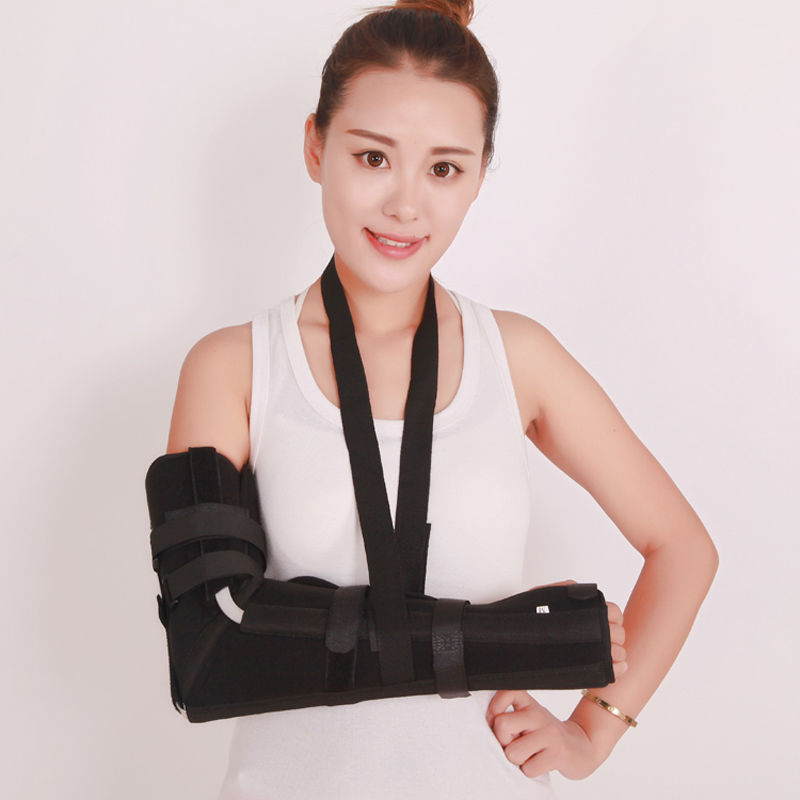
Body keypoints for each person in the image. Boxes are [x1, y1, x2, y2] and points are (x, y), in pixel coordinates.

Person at [163, 1, 718, 797]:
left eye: (444, 169)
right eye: (373, 157)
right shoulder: (232, 367)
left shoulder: (519, 357)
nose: (405, 206)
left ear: (480, 174)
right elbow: (209, 647)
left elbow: (684, 548)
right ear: (316, 145)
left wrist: (593, 730)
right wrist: (527, 641)